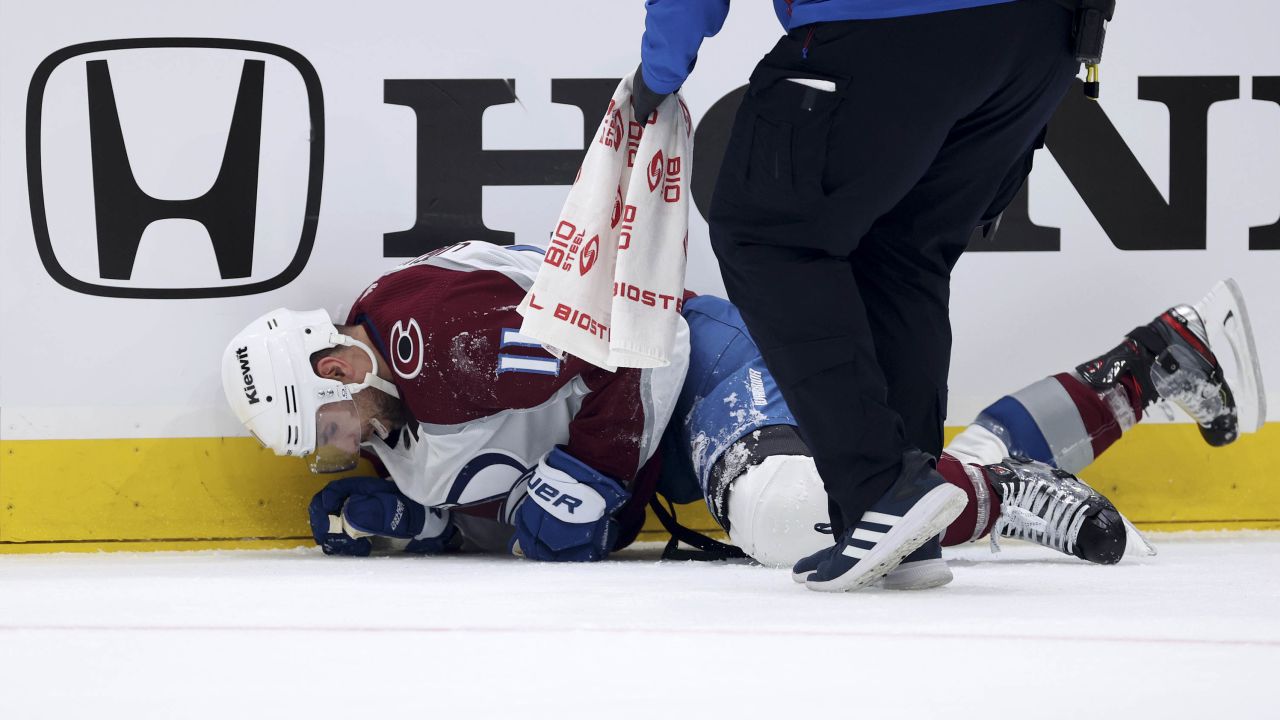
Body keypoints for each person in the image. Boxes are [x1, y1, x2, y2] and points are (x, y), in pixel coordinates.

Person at [220, 243, 1264, 590]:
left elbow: (620, 338)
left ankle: (989, 497)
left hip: (691, 363)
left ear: (333, 363)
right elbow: (563, 505)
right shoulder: (400, 396)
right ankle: (1150, 363)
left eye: (322, 426)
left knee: (784, 516)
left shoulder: (430, 345)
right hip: (669, 424)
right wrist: (443, 528)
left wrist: (588, 483)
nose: (335, 450)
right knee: (863, 512)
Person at [633, 0, 1101, 590]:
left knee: (768, 236)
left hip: (889, 24)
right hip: (1040, 44)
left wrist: (658, 75)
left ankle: (882, 487)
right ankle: (898, 533)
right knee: (902, 258)